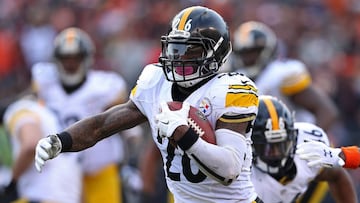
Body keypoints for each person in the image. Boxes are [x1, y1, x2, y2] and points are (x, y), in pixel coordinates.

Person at [34, 6, 263, 203]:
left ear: (218, 53)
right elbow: (102, 125)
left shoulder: (231, 89)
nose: (181, 59)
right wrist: (60, 141)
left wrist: (183, 134)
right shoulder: (156, 81)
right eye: (177, 49)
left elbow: (229, 169)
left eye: (192, 51)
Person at [230, 20, 340, 202]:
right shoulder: (237, 80)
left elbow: (327, 110)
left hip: (301, 154)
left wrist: (304, 148)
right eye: (245, 53)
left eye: (254, 52)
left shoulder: (281, 74)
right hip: (266, 156)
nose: (249, 58)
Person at [31, 27, 129, 203]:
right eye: (66, 58)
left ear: (86, 58)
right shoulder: (45, 83)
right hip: (62, 170)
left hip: (99, 169)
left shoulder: (105, 86)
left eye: (76, 58)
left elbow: (120, 115)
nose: (70, 63)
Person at [250, 95, 357, 203]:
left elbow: (336, 175)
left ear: (293, 138)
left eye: (281, 145)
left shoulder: (304, 149)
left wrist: (341, 155)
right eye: (268, 148)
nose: (276, 153)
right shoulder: (239, 168)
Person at [1, 95, 82, 203]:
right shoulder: (48, 113)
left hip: (42, 194)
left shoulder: (18, 110)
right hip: (66, 195)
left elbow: (31, 144)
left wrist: (12, 182)